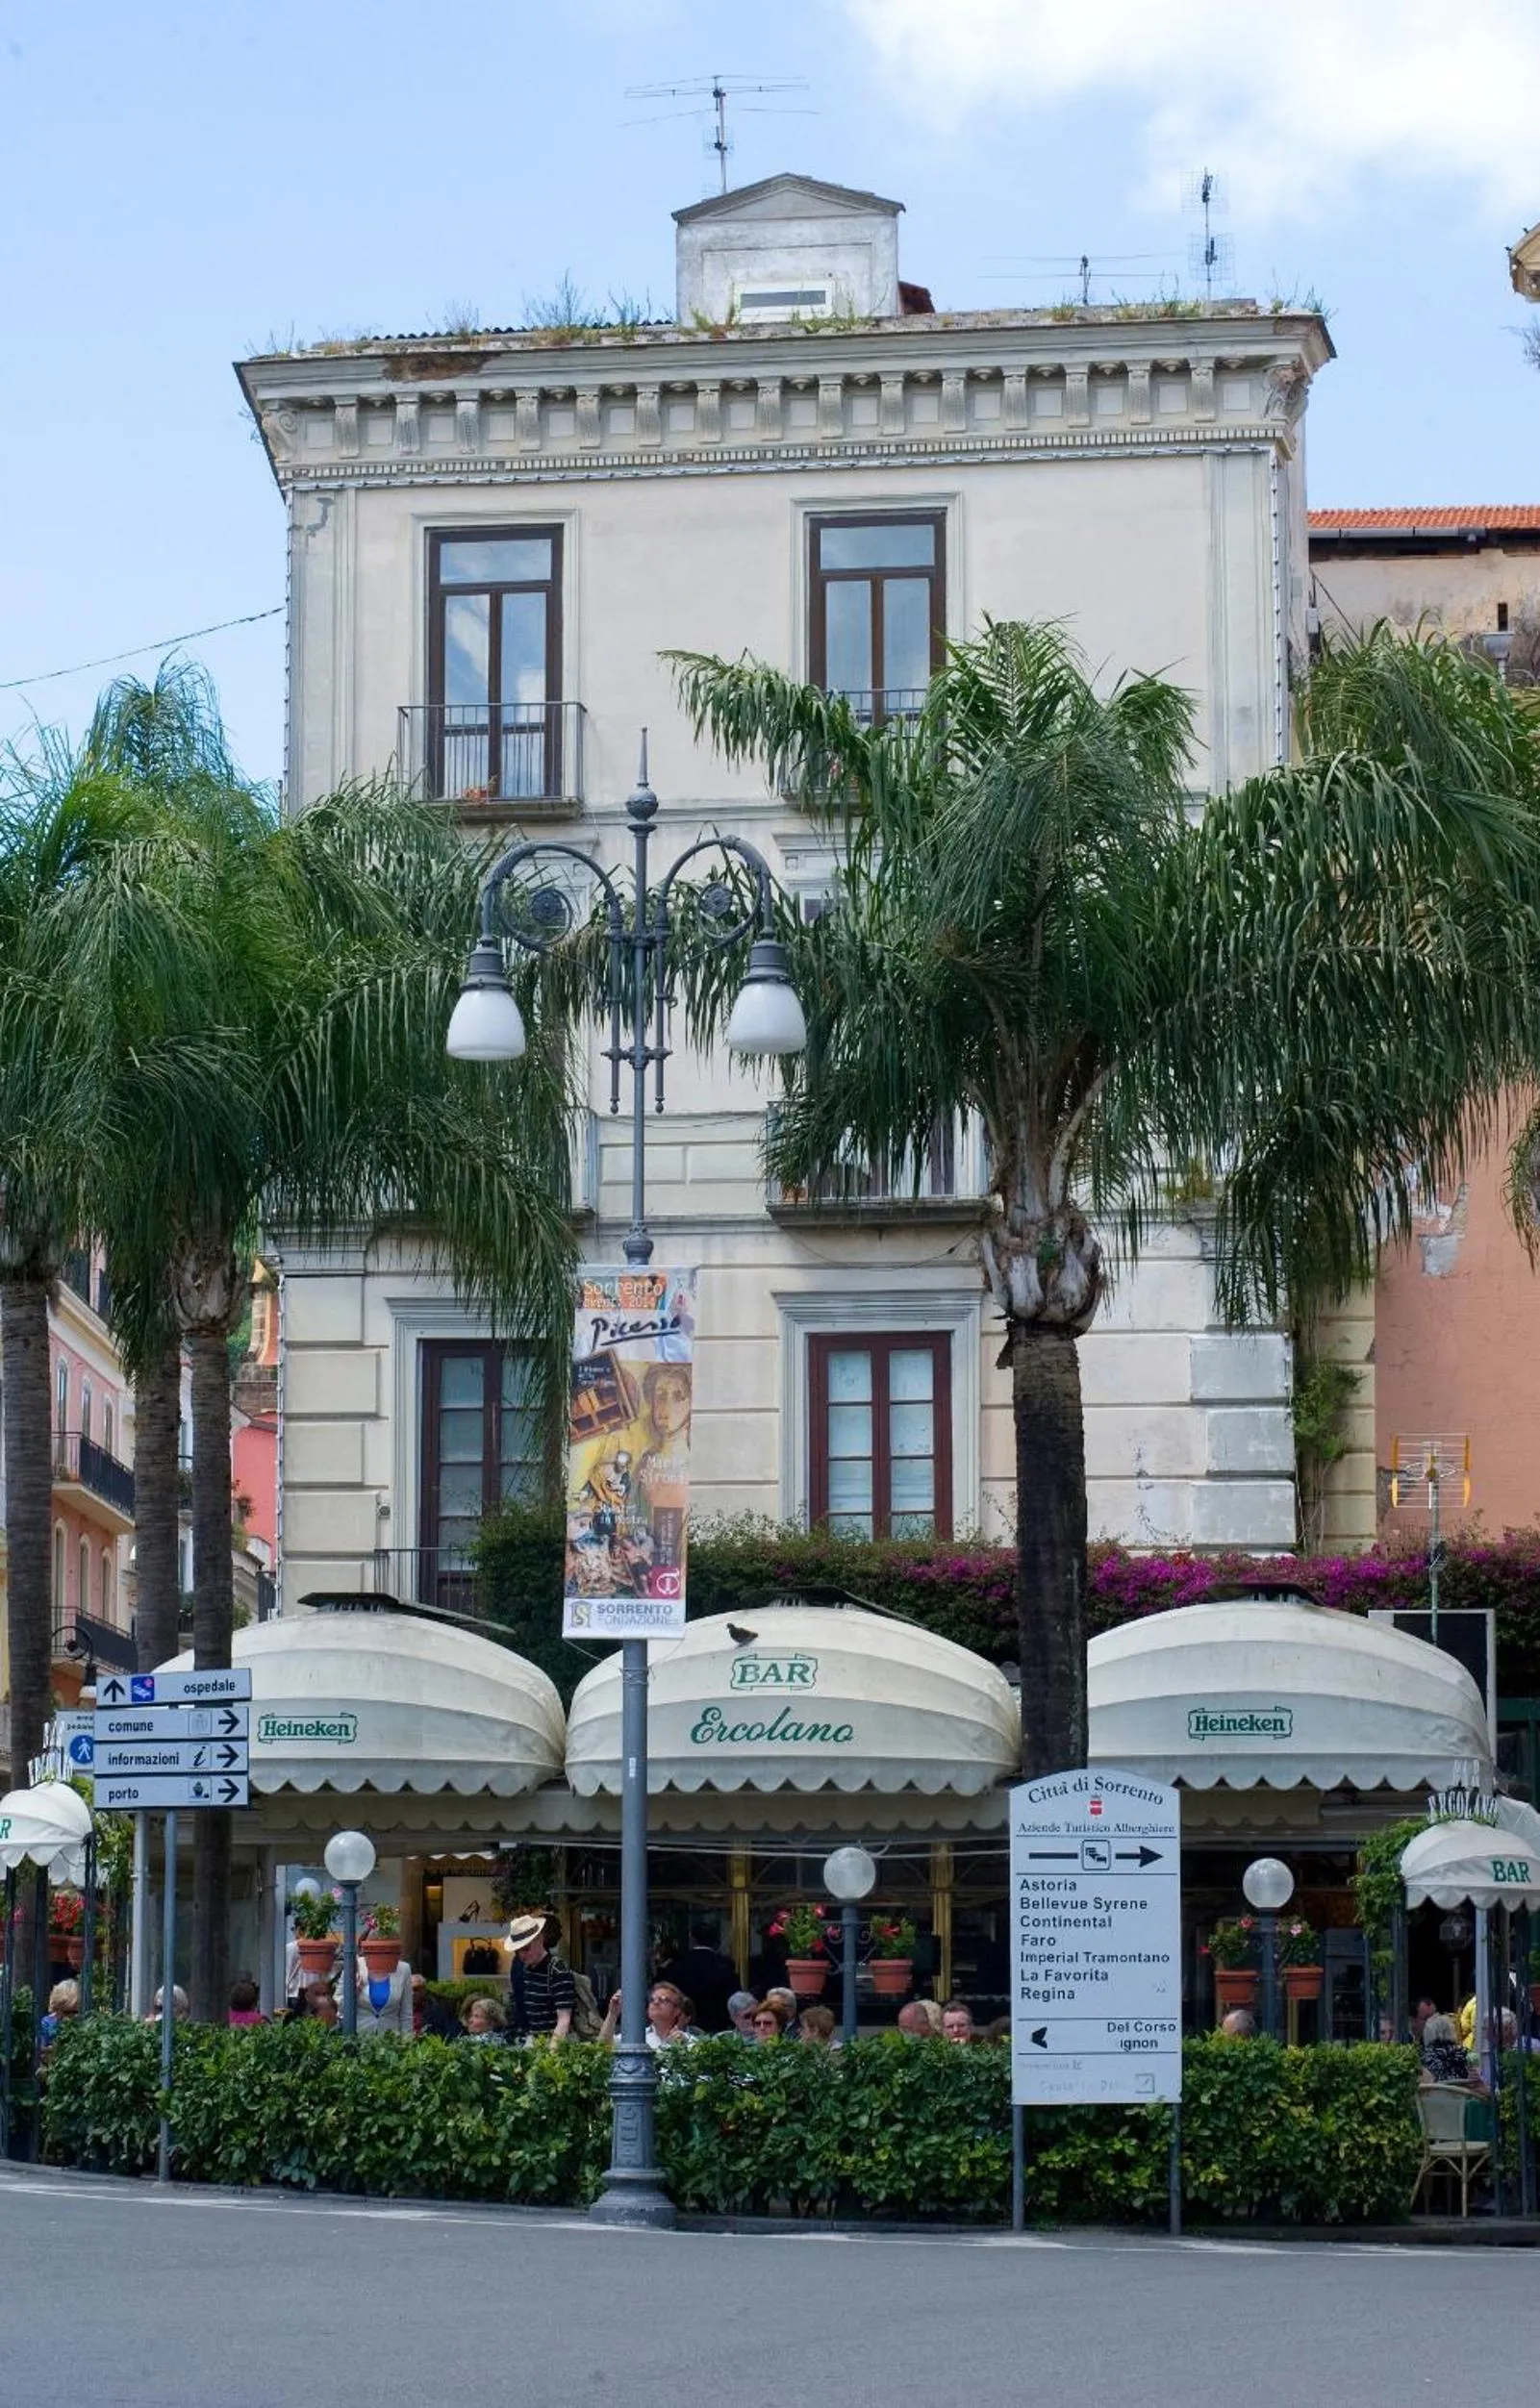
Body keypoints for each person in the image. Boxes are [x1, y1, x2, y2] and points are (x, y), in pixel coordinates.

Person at [507, 1912, 575, 2044]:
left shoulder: (557, 1970)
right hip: (534, 2039)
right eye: (517, 1951)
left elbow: (564, 2020)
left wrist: (553, 2050)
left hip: (556, 2041)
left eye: (526, 1948)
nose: (521, 1955)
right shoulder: (526, 1968)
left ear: (540, 1939)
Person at [660, 1919, 738, 2033]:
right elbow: (733, 1999)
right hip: (717, 2028)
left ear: (692, 1939)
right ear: (716, 1941)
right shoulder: (724, 1966)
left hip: (682, 2027)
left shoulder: (678, 1965)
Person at [598, 1981, 695, 2048]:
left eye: (663, 1999)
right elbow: (603, 2048)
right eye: (652, 2000)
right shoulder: (635, 2037)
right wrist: (612, 2013)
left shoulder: (688, 2041)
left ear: (677, 2010)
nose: (656, 2003)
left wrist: (681, 2048)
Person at [341, 1952, 413, 2037]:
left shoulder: (404, 1969)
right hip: (359, 2037)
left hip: (391, 2038)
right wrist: (352, 1993)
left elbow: (406, 2013)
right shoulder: (354, 1965)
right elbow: (339, 2007)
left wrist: (407, 2040)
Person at [1421, 2010, 1481, 2089]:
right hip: (1462, 2094)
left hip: (1434, 2094)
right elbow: (1477, 2080)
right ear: (1451, 2031)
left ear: (1428, 2032)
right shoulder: (1467, 2053)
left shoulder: (1424, 2056)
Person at [39, 1980, 79, 2046]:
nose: (71, 2016)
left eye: (75, 2012)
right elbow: (40, 2048)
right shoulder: (47, 2024)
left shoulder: (83, 2023)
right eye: (67, 2012)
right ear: (56, 2009)